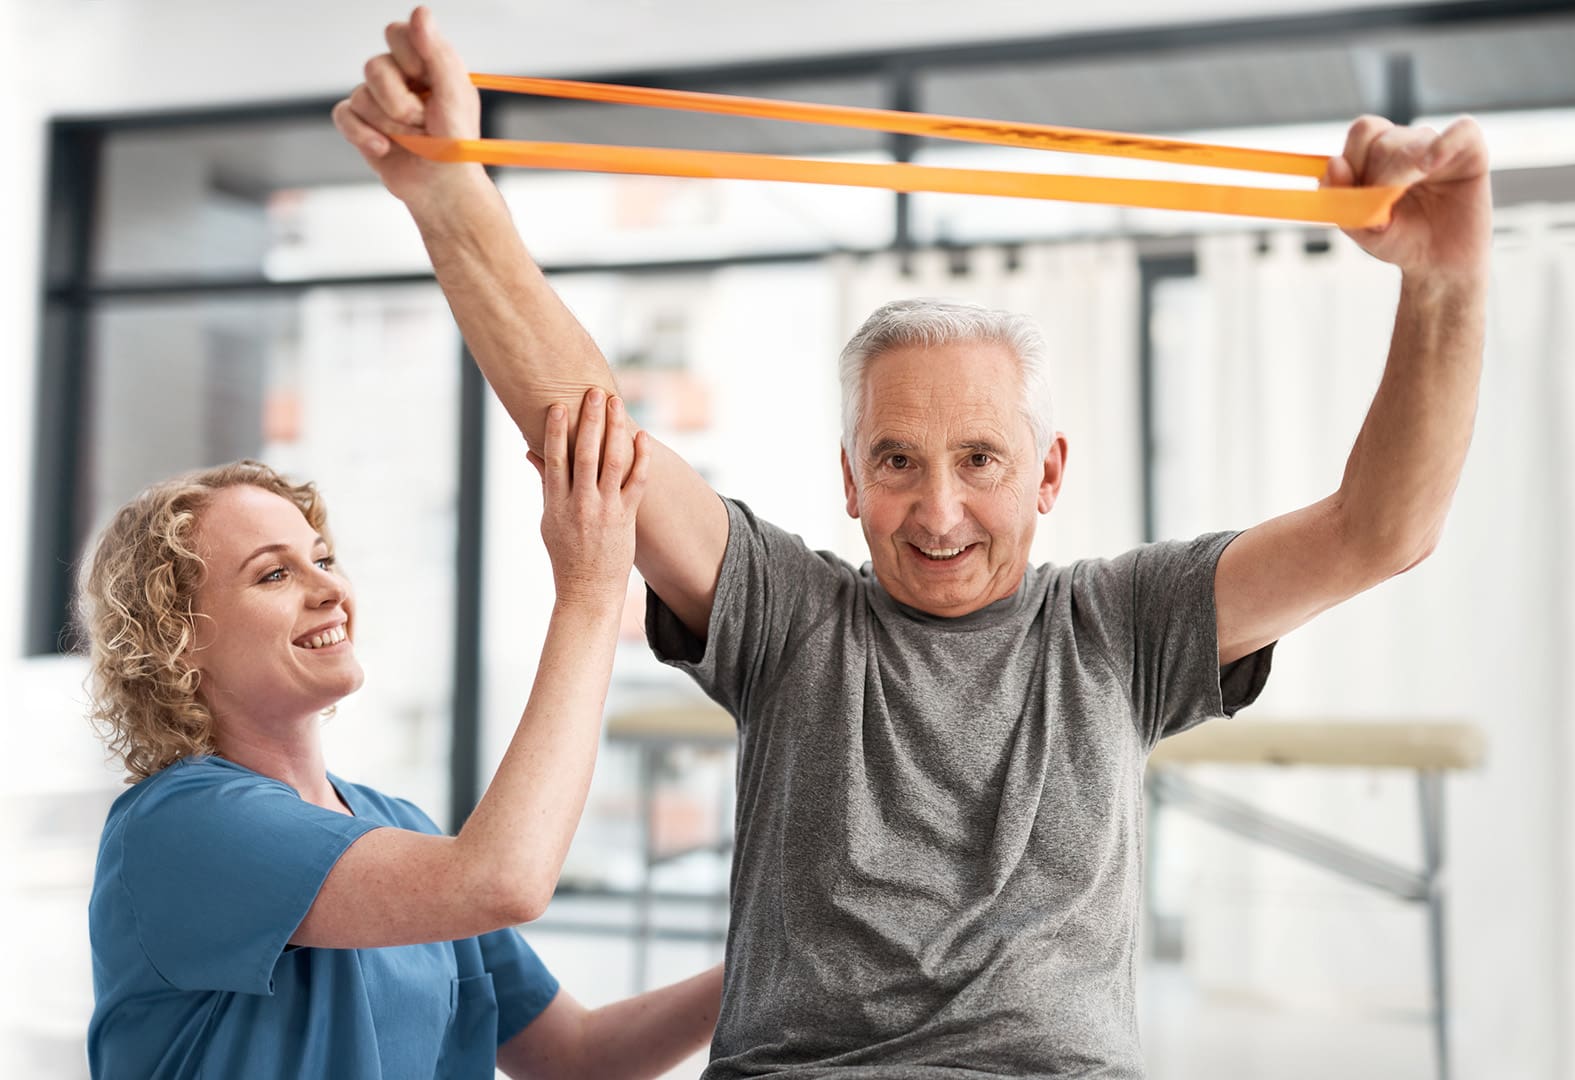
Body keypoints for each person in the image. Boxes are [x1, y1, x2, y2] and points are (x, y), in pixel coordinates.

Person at [334, 8, 1488, 1076]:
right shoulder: (791, 615)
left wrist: (1442, 287)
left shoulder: (1123, 625)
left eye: (980, 460)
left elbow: (1379, 531)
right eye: (897, 462)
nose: (937, 513)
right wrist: (453, 197)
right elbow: (589, 436)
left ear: (1048, 472)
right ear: (849, 478)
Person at [82, 397, 723, 1079]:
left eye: (323, 558)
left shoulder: (397, 828)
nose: (327, 588)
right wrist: (590, 590)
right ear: (178, 642)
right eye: (274, 573)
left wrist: (770, 950)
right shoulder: (180, 828)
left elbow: (576, 1055)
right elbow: (504, 880)